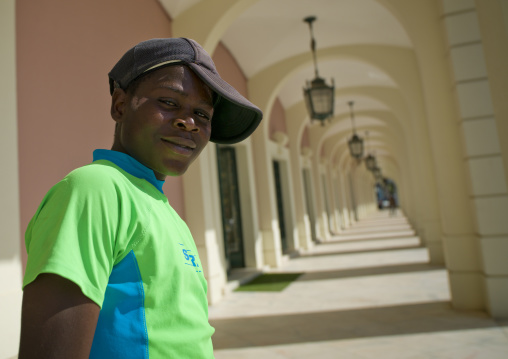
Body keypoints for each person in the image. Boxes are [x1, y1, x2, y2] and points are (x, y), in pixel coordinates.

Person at [18, 37, 262, 359]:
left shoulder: (164, 210)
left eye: (202, 114)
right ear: (120, 105)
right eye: (169, 102)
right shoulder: (95, 189)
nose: (188, 122)